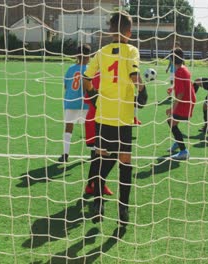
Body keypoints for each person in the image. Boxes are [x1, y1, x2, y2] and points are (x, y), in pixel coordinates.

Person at [83, 11, 146, 225]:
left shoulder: (100, 53)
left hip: (102, 117)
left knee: (101, 160)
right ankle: (123, 210)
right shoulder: (131, 50)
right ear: (129, 32)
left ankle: (98, 203)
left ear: (110, 31)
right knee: (125, 164)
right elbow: (134, 75)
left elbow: (87, 78)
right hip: (123, 119)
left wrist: (94, 98)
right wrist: (142, 91)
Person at [58, 44, 91, 163]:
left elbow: (66, 86)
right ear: (89, 56)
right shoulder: (90, 69)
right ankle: (94, 152)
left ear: (77, 55)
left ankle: (65, 154)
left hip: (71, 102)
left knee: (68, 128)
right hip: (86, 104)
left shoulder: (71, 69)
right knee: (90, 128)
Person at [83, 72, 114, 196]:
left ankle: (93, 184)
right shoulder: (99, 75)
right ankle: (96, 184)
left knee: (99, 156)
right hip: (96, 121)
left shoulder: (107, 74)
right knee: (103, 156)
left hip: (101, 120)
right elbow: (91, 99)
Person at [166, 48, 196, 160]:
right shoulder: (184, 69)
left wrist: (172, 108)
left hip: (185, 102)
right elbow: (185, 85)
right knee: (173, 122)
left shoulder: (179, 72)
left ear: (171, 60)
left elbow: (181, 94)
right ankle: (178, 143)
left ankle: (184, 151)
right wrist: (173, 87)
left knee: (171, 122)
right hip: (189, 99)